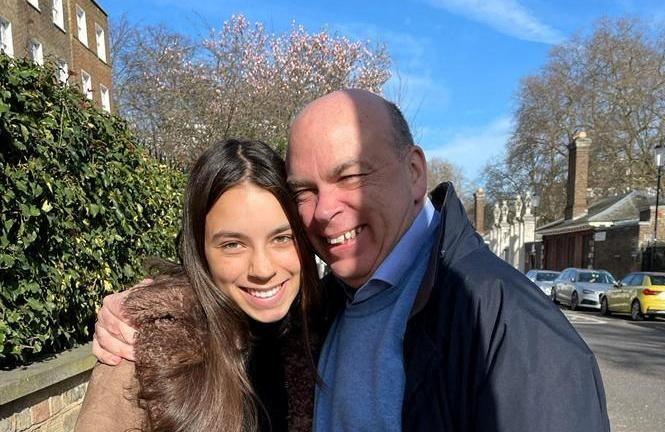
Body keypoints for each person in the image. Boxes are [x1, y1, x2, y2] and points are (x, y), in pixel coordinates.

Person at [94, 90, 610, 431]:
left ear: (414, 172)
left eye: (353, 176)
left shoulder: (501, 321)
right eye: (306, 190)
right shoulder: (335, 304)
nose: (327, 211)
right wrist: (148, 309)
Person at [77, 139, 322, 432]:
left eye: (282, 238)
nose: (263, 269)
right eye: (233, 244)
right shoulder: (142, 351)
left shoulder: (327, 324)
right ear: (200, 249)